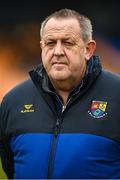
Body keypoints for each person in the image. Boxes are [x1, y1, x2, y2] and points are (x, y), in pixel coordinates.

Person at [0, 8, 120, 179]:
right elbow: (10, 168)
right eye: (50, 43)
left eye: (68, 43)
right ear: (41, 47)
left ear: (88, 49)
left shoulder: (116, 95)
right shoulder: (14, 101)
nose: (57, 51)